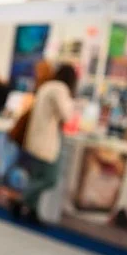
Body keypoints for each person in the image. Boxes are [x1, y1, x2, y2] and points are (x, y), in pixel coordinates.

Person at [16, 63, 77, 223]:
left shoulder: (46, 86)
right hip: (47, 142)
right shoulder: (60, 90)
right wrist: (72, 101)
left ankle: (31, 210)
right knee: (50, 178)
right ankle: (21, 199)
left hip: (35, 139)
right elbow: (67, 115)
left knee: (36, 176)